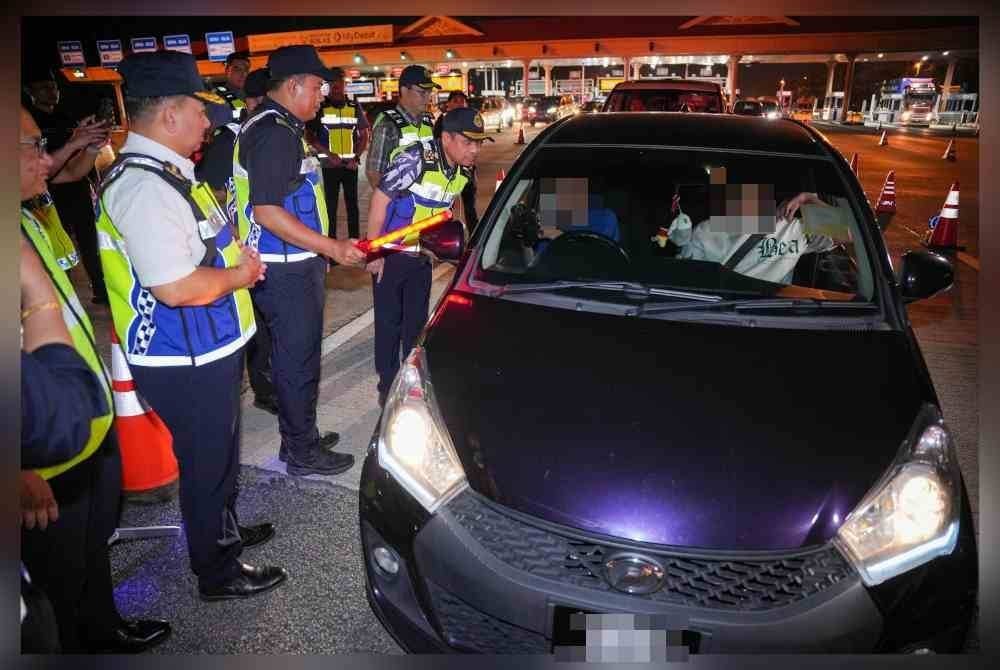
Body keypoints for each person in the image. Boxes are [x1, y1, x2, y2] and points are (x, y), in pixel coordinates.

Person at [95, 51, 287, 601]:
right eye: (199, 112)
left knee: (220, 454)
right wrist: (242, 274)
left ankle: (221, 529)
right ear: (168, 114)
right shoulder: (143, 187)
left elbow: (202, 246)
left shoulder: (171, 174)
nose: (208, 122)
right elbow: (175, 288)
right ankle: (217, 570)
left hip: (208, 346)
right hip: (182, 355)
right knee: (205, 464)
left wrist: (233, 257)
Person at [20, 105, 171, 652]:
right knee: (54, 578)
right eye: (31, 147)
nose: (44, 158)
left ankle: (103, 628)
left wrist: (79, 147)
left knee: (91, 543)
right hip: (41, 447)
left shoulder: (30, 217)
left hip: (85, 415)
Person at [230, 44, 366, 475]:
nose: (323, 93)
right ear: (293, 85)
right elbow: (268, 210)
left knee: (293, 357)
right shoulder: (273, 132)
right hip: (285, 269)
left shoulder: (278, 126)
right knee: (297, 359)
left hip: (287, 262)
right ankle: (301, 450)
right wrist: (332, 248)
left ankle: (299, 434)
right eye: (317, 85)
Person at [366, 107, 491, 407]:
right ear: (446, 138)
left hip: (423, 258)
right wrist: (374, 253)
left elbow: (449, 209)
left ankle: (410, 381)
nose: (475, 149)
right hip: (392, 254)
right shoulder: (416, 158)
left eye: (479, 142)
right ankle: (387, 386)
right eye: (468, 142)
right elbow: (380, 200)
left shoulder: (462, 169)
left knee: (415, 325)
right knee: (388, 325)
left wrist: (448, 245)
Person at [197, 67, 278, 414]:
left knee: (268, 325)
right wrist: (232, 238)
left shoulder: (274, 135)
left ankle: (266, 382)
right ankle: (262, 388)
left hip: (266, 243)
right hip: (240, 247)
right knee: (256, 325)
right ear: (253, 101)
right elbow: (213, 193)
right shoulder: (231, 138)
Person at [24, 67, 112, 304]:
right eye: (34, 146)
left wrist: (92, 145)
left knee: (87, 242)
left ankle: (94, 289)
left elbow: (71, 171)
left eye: (53, 87)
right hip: (46, 200)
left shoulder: (65, 117)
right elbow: (51, 169)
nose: (44, 157)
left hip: (72, 193)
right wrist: (74, 144)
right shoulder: (29, 120)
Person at [665, 190, 849, 285]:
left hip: (768, 313)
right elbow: (687, 281)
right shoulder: (705, 230)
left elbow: (848, 234)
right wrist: (807, 199)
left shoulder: (794, 229)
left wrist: (807, 199)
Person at [306, 68, 370, 242]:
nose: (336, 86)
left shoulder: (353, 106)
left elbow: (364, 135)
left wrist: (356, 157)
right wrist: (327, 153)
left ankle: (355, 242)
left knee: (353, 206)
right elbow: (309, 135)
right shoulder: (321, 108)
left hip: (350, 165)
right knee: (330, 207)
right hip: (330, 166)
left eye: (339, 83)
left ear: (344, 85)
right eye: (333, 83)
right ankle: (331, 244)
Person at [365, 64, 439, 191]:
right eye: (422, 92)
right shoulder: (388, 125)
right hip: (402, 207)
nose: (428, 97)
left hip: (428, 205)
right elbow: (374, 173)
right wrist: (393, 206)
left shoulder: (427, 122)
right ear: (404, 90)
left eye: (429, 92)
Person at [433, 91, 480, 231]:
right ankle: (448, 236)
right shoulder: (442, 121)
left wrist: (473, 171)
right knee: (447, 207)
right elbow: (437, 144)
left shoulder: (471, 120)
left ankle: (474, 237)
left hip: (465, 171)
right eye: (456, 100)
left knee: (469, 206)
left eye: (462, 100)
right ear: (449, 104)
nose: (460, 103)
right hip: (446, 172)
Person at [213, 51, 252, 122]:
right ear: (227, 70)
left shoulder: (252, 95)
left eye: (246, 69)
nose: (243, 74)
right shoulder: (218, 98)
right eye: (237, 69)